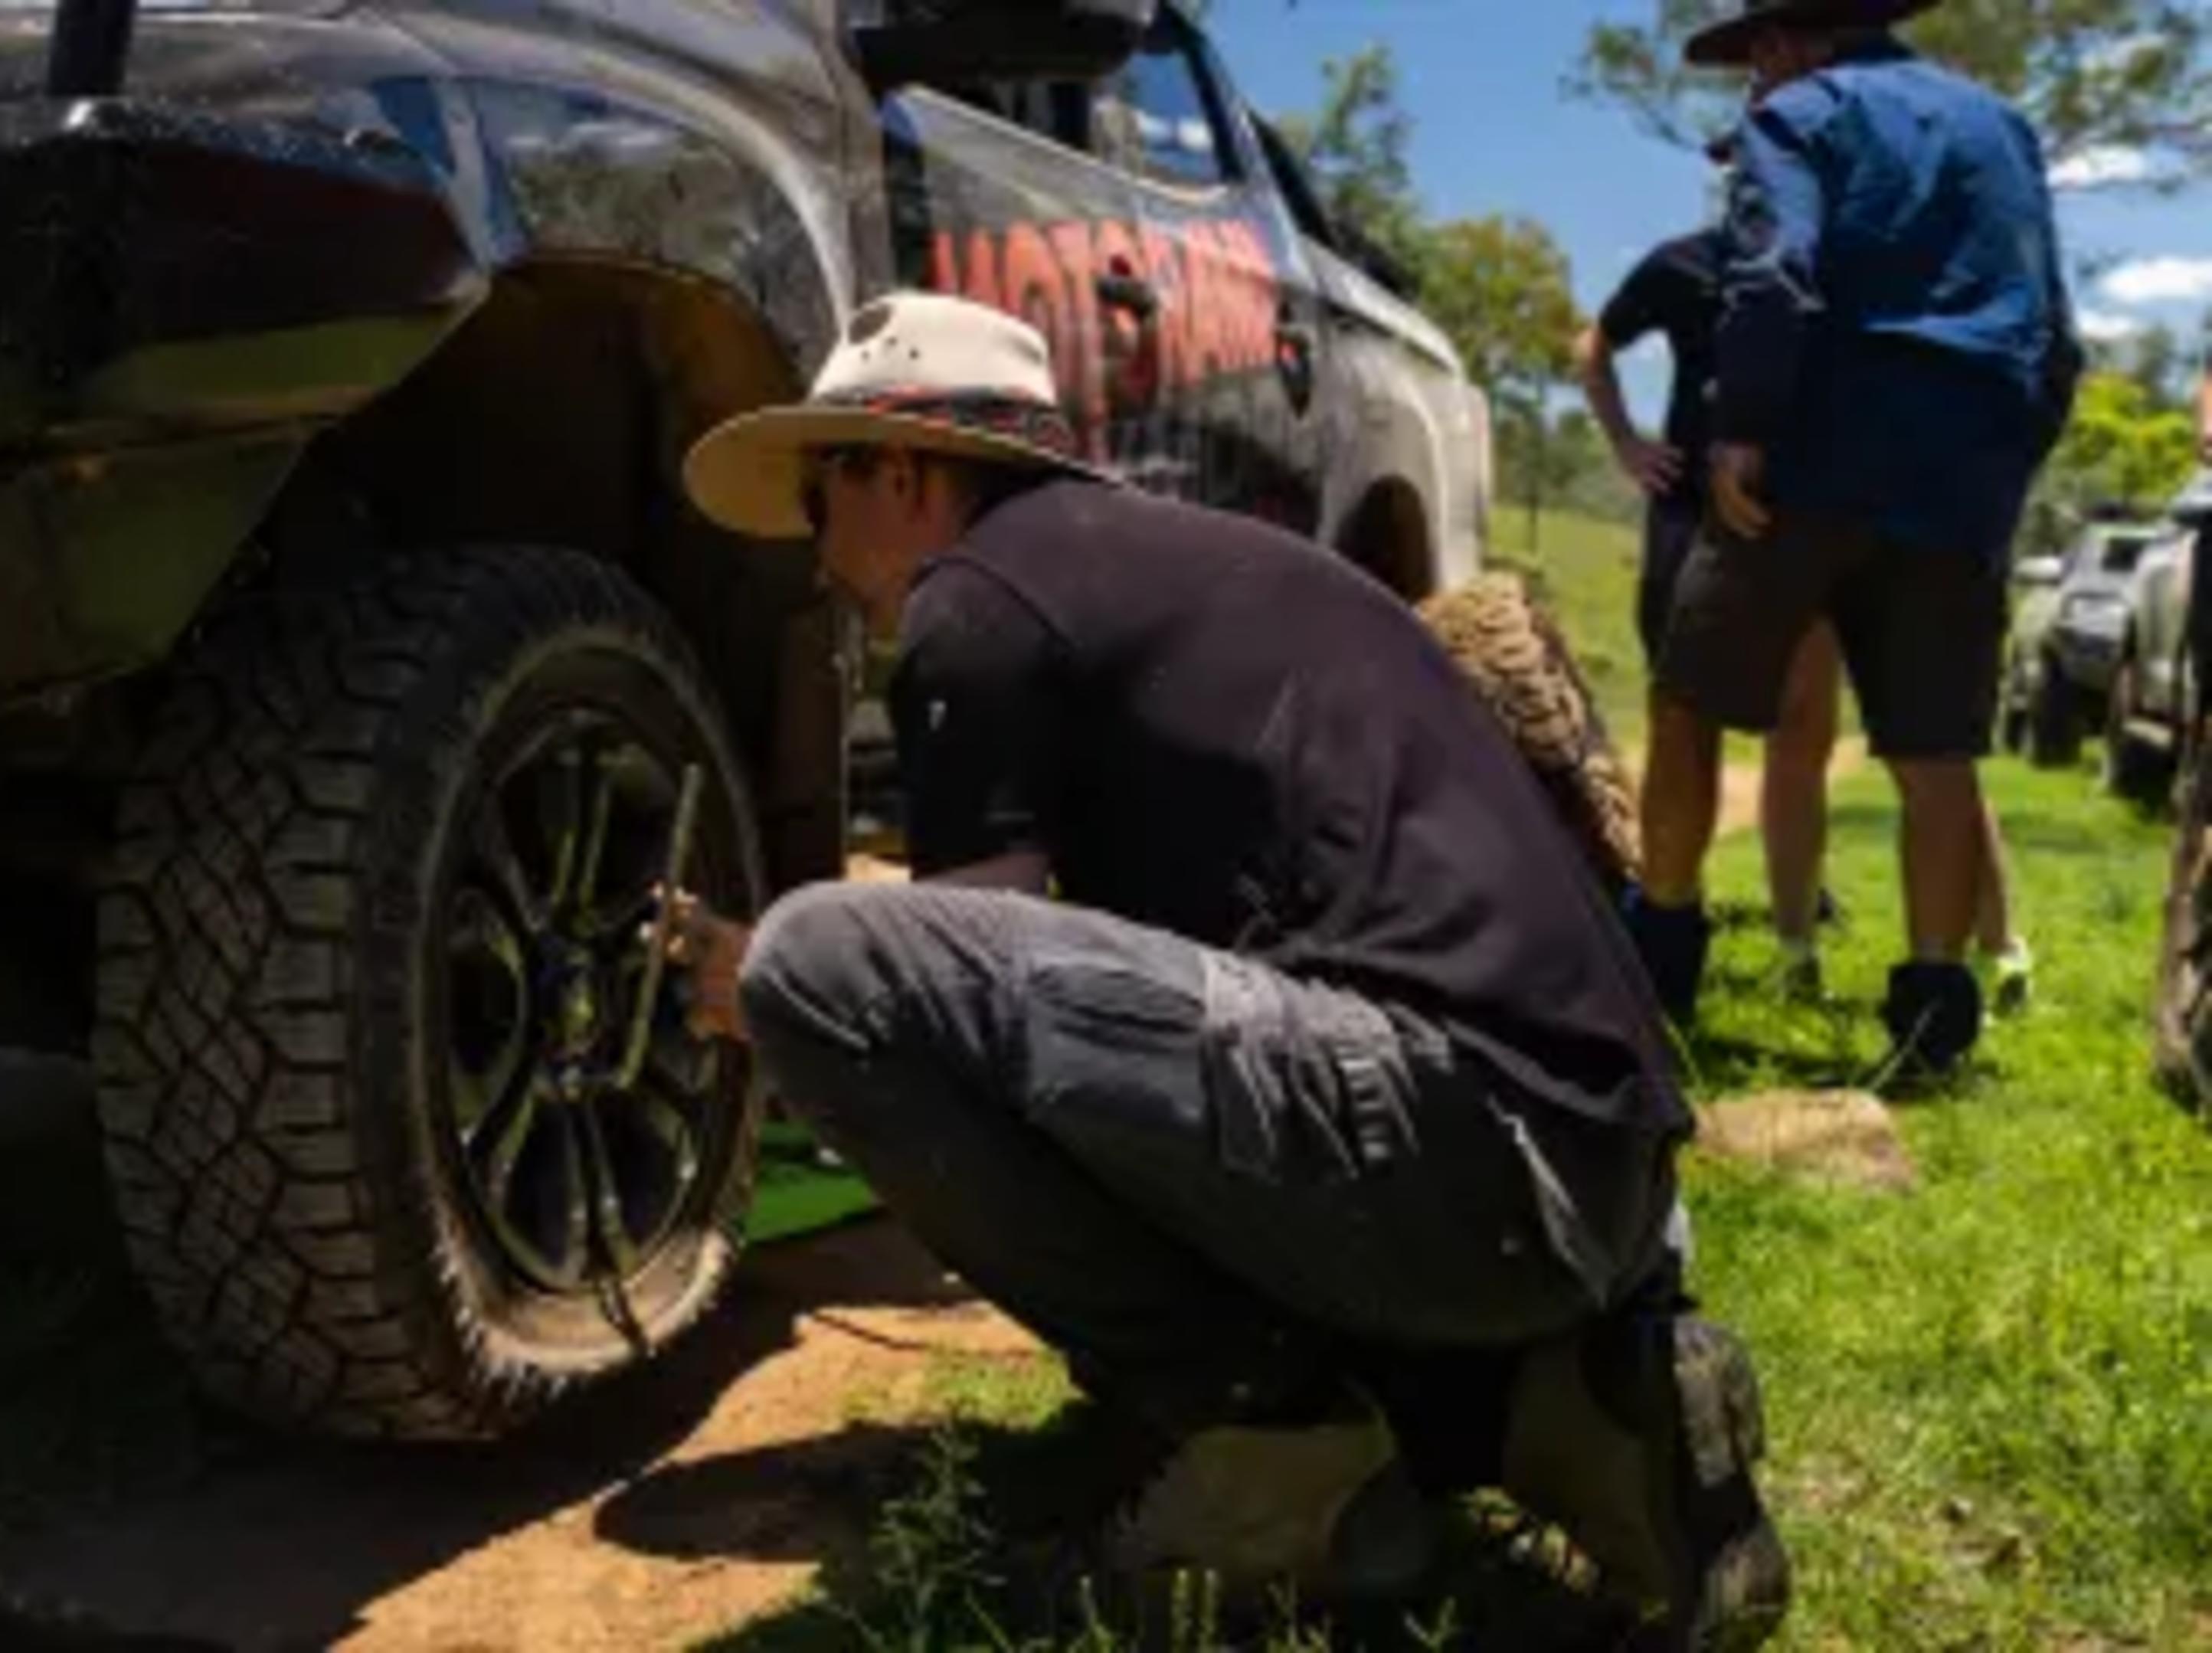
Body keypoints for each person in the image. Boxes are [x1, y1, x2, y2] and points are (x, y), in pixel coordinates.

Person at [663, 290, 1788, 1645]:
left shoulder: (979, 593)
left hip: (1449, 1140)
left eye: (816, 500)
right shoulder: (1194, 569)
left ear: (898, 467)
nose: (817, 555)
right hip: (1600, 1186)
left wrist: (759, 1003)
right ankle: (1577, 1410)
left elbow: (941, 987)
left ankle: (1261, 1439)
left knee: (818, 966)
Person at [1623, 0, 2079, 1070]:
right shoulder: (2002, 126)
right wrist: (2005, 465)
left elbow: (1777, 269)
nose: (1751, 87)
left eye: (1751, 63)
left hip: (1809, 468)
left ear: (1792, 42)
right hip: (1961, 475)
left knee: (1688, 701)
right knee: (1936, 752)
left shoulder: (1803, 114)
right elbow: (2052, 326)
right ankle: (1932, 1016)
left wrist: (1743, 430)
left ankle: (1660, 963)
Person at [1582, 218, 2035, 1012]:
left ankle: (1981, 949)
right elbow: (1596, 341)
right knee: (1705, 721)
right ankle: (1711, 943)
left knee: (1901, 743)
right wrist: (1626, 441)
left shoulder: (1869, 260)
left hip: (1830, 521)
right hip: (1710, 522)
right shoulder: (1684, 261)